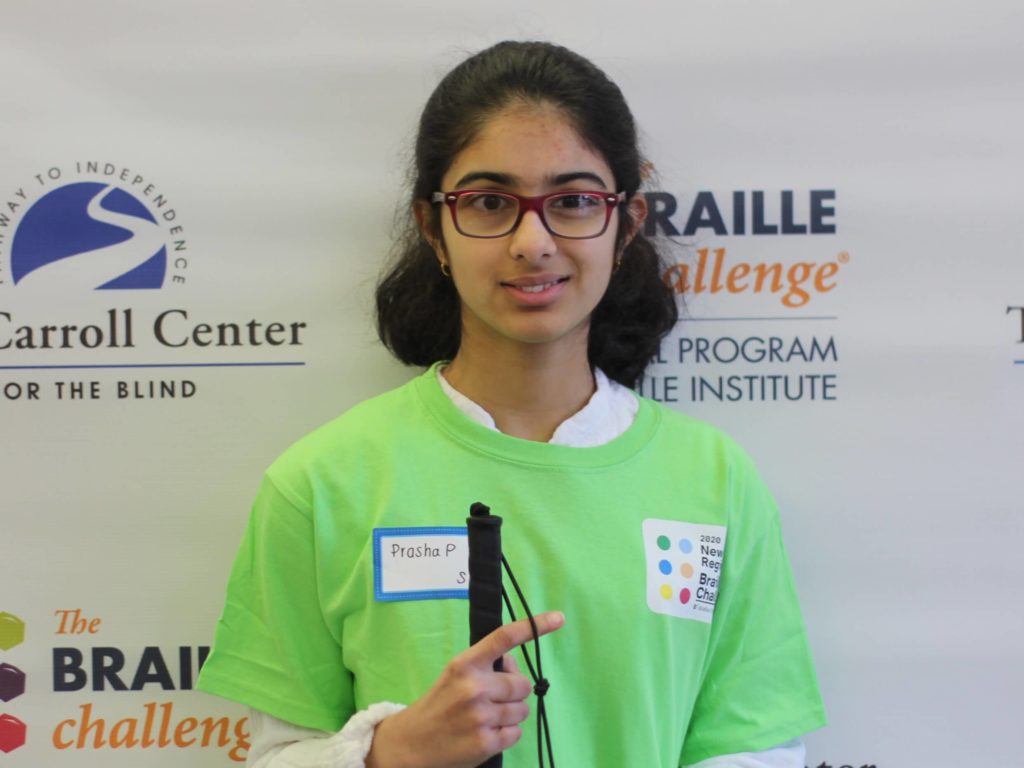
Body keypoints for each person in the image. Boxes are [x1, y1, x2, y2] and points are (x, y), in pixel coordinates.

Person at [197, 40, 826, 768]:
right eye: (490, 203)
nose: (533, 242)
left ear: (625, 225)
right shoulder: (322, 485)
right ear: (433, 227)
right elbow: (276, 755)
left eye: (574, 202)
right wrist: (391, 753)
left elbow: (754, 748)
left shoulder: (714, 481)